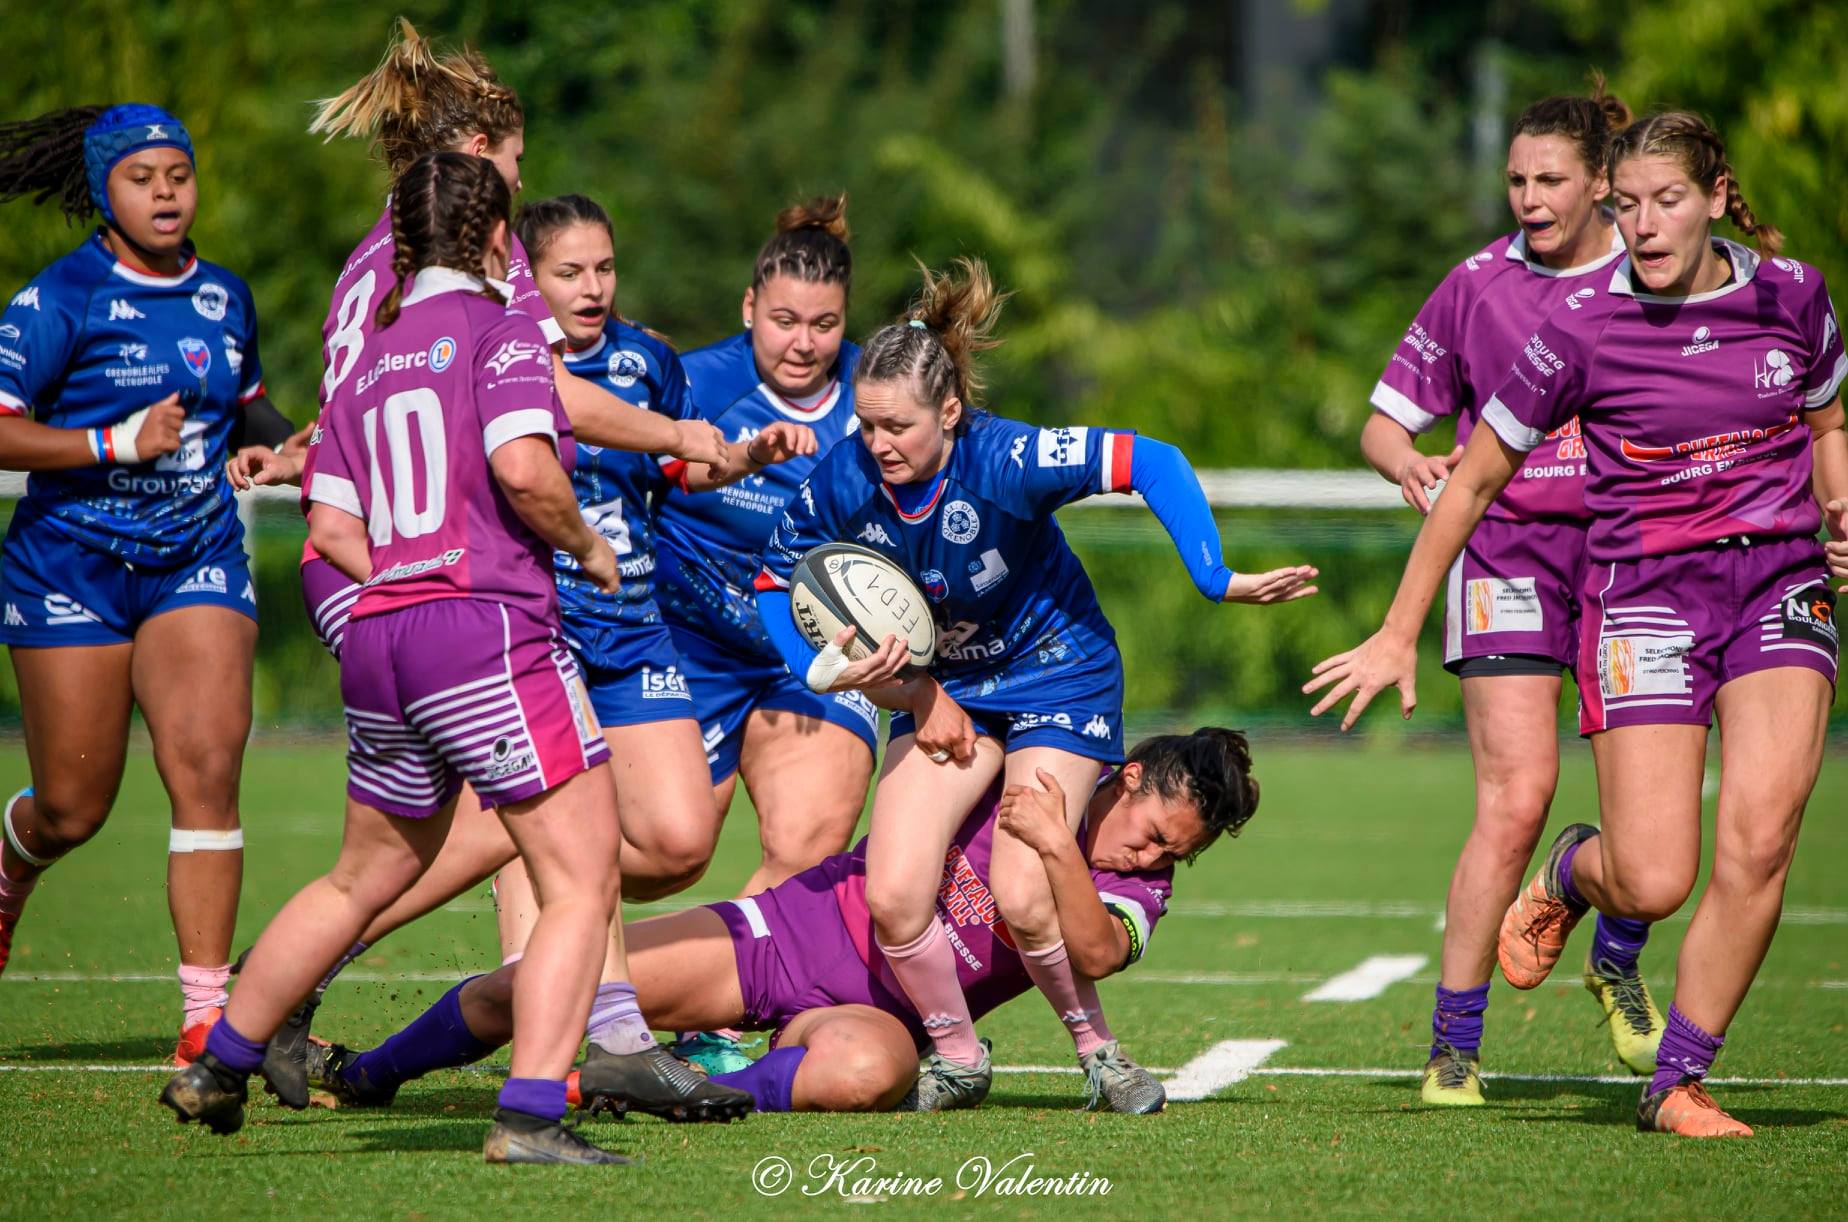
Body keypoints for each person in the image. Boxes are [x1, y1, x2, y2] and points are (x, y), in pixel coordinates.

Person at [224, 23, 740, 1121]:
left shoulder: (382, 264)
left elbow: (375, 404)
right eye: (511, 163)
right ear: (467, 160)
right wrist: (671, 439)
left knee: (495, 825)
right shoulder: (465, 273)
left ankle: (272, 1000)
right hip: (416, 574)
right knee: (541, 821)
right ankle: (557, 1070)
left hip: (379, 561)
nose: (522, 184)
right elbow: (534, 410)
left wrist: (313, 450)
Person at [1308, 112, 1846, 1139]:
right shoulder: (1580, 320)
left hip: (1778, 581)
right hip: (1642, 593)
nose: (1643, 224)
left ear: (1720, 197)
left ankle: (1678, 1079)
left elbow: (1828, 424)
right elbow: (1470, 483)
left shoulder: (1794, 294)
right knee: (1653, 875)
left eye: (1668, 200)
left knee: (1764, 835)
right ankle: (1570, 872)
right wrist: (1395, 628)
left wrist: (1840, 510)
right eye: (1630, 203)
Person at [158, 151, 636, 1166]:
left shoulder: (366, 361)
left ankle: (218, 1061)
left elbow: (328, 523)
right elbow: (523, 465)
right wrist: (587, 547)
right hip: (488, 630)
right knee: (582, 875)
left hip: (379, 633)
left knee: (360, 876)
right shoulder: (502, 329)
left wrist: (413, 576)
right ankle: (531, 1118)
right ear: (498, 239)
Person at [755, 256, 1318, 1108]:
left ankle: (1097, 1053)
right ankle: (958, 1055)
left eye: (898, 426)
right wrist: (826, 670)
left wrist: (1213, 576)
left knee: (1024, 886)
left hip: (1060, 677)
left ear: (949, 411)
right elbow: (771, 580)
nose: (878, 445)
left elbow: (1152, 460)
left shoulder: (1010, 457)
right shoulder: (845, 478)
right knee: (896, 891)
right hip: (948, 687)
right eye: (865, 425)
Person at [310, 729, 1260, 1115]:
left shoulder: (1133, 889)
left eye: (1173, 857)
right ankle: (367, 1074)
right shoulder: (1027, 767)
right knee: (545, 989)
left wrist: (1058, 852)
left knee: (870, 1075)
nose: (1150, 861)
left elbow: (1095, 949)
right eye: (1151, 838)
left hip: (883, 1013)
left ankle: (701, 1084)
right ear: (1129, 778)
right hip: (791, 937)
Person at [1359, 83, 1666, 1105]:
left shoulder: (1654, 277)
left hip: (1636, 557)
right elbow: (1385, 424)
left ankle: (1612, 942)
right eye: (1516, 180)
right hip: (1507, 553)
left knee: (1649, 823)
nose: (1529, 198)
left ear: (1600, 185)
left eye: (1550, 180)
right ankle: (1454, 1047)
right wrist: (1406, 463)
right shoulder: (1477, 285)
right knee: (1515, 794)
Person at [0, 104, 295, 1062]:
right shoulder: (59, 299)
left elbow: (248, 411)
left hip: (195, 555)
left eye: (179, 172)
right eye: (143, 177)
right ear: (104, 192)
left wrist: (282, 448)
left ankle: (206, 1017)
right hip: (69, 566)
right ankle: (10, 865)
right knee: (71, 808)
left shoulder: (226, 297)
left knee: (208, 765)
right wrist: (110, 443)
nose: (166, 191)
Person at [648, 195, 878, 1071]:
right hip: (684, 645)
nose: (803, 342)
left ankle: (709, 1026)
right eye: (783, 319)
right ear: (749, 308)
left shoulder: (874, 394)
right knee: (667, 854)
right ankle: (572, 964)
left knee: (808, 843)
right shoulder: (693, 383)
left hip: (810, 655)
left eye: (823, 324)